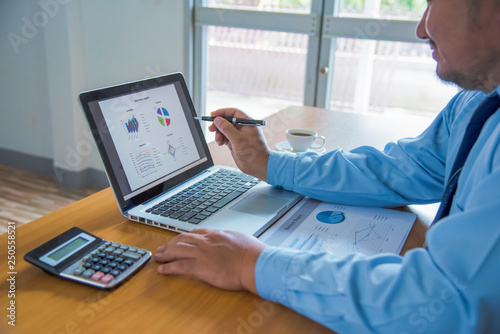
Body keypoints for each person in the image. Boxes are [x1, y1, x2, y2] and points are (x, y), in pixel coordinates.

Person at [155, 0, 500, 332]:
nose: (421, 29)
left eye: (431, 3)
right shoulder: (477, 100)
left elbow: (446, 303)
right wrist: (269, 165)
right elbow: (401, 169)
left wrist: (251, 264)